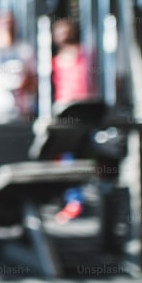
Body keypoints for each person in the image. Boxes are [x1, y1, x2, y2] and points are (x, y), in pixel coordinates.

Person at [50, 17, 93, 223]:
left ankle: (81, 199)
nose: (63, 35)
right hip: (64, 115)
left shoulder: (87, 54)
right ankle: (73, 201)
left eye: (67, 31)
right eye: (59, 32)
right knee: (67, 158)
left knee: (87, 155)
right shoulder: (54, 61)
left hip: (87, 111)